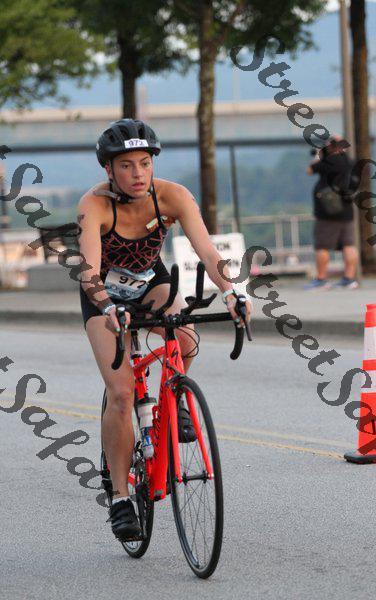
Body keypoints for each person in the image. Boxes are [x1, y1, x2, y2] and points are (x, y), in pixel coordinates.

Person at [77, 118, 252, 542]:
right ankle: (121, 499)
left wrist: (232, 292)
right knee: (121, 394)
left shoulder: (173, 196)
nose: (137, 174)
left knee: (185, 337)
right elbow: (88, 273)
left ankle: (175, 399)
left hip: (149, 282)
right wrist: (107, 307)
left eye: (144, 163)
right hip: (103, 295)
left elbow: (208, 251)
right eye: (126, 166)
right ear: (108, 170)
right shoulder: (94, 205)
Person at [305, 135, 359, 290]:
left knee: (322, 246)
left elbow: (310, 170)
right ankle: (349, 279)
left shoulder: (327, 161)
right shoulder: (349, 161)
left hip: (327, 211)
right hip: (347, 209)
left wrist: (318, 155)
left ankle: (322, 279)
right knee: (349, 244)